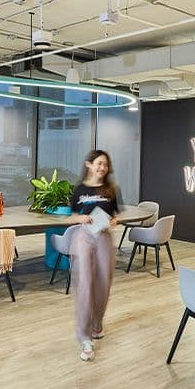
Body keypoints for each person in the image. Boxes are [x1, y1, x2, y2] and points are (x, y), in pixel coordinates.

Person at [67, 150, 120, 362]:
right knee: (85, 284)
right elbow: (71, 217)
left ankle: (97, 323)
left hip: (104, 237)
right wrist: (80, 218)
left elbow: (115, 216)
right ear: (89, 164)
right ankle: (85, 337)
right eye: (99, 163)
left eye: (105, 164)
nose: (102, 167)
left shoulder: (111, 190)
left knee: (104, 283)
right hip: (84, 237)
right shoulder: (79, 189)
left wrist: (115, 221)